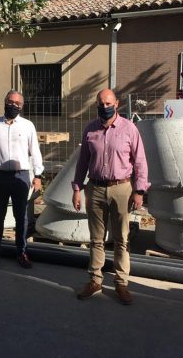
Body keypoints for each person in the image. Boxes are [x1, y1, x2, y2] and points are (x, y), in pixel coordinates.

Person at [72, 89, 150, 305]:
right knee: (96, 239)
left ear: (117, 104)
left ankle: (121, 283)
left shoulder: (129, 129)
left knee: (121, 239)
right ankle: (95, 280)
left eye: (108, 103)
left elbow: (140, 161)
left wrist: (139, 190)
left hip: (121, 189)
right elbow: (82, 162)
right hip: (95, 189)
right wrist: (77, 188)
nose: (104, 107)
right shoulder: (90, 129)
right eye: (100, 103)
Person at [0, 90, 43, 269]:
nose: (13, 105)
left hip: (21, 176)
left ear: (22, 106)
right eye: (10, 102)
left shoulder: (27, 126)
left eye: (17, 103)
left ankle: (21, 252)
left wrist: (38, 175)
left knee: (21, 217)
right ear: (5, 102)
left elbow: (35, 151)